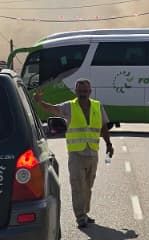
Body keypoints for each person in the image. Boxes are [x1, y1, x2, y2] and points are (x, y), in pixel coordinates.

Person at [38, 78, 113, 229]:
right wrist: (40, 102)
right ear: (76, 91)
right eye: (80, 91)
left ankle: (85, 212)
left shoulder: (97, 106)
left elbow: (103, 126)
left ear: (90, 91)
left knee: (88, 185)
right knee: (78, 185)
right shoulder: (70, 106)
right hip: (76, 153)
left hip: (92, 152)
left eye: (85, 91)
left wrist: (109, 144)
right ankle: (80, 216)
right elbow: (53, 109)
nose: (83, 94)